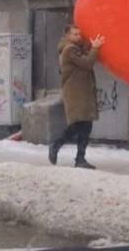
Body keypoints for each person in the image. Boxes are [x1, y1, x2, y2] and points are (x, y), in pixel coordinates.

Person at [48, 25, 105, 169]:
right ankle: (56, 145)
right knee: (77, 125)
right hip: (76, 93)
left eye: (79, 34)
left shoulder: (76, 48)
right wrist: (95, 47)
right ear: (67, 36)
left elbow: (84, 53)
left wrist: (91, 45)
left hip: (82, 92)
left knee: (86, 125)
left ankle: (80, 159)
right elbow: (87, 63)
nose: (79, 36)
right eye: (75, 34)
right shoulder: (69, 50)